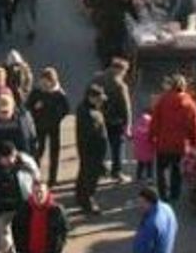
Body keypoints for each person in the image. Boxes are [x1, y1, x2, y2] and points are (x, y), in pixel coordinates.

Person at [0, 141, 39, 253]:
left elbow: (36, 177)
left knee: (25, 233)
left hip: (23, 203)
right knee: (5, 236)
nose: (10, 160)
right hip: (3, 207)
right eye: (6, 158)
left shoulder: (27, 162)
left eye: (12, 156)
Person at [149, 75, 196, 204]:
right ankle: (175, 193)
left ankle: (162, 193)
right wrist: (195, 141)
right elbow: (194, 125)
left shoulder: (163, 100)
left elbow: (155, 120)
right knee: (176, 169)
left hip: (163, 141)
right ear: (184, 86)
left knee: (161, 169)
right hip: (180, 144)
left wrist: (151, 136)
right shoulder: (190, 103)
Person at [10, 178, 68, 253]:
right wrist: (20, 249)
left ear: (47, 192)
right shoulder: (24, 209)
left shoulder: (57, 210)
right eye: (36, 192)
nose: (39, 195)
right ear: (31, 193)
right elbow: (16, 228)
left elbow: (64, 230)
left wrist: (58, 248)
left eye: (41, 191)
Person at [28, 67, 70, 187]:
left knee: (54, 152)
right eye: (43, 82)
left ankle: (53, 179)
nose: (45, 85)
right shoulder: (37, 92)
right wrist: (35, 108)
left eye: (47, 82)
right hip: (39, 126)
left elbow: (65, 110)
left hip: (53, 126)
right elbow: (28, 107)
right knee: (38, 151)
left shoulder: (59, 94)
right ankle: (36, 176)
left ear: (53, 81)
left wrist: (56, 116)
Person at [75, 84, 109, 215]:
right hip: (92, 151)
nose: (101, 102)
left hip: (89, 150)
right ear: (91, 98)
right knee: (90, 178)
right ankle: (88, 202)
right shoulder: (89, 114)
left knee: (83, 174)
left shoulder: (86, 108)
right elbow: (93, 135)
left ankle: (80, 197)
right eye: (99, 99)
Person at [100, 57, 134, 180]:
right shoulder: (120, 86)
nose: (125, 74)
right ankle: (117, 172)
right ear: (120, 70)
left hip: (100, 119)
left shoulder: (98, 78)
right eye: (125, 72)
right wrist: (128, 125)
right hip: (115, 121)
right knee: (118, 147)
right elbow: (126, 108)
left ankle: (101, 169)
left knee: (101, 145)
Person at [131, 109, 156, 182]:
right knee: (149, 164)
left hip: (139, 150)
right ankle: (149, 177)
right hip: (149, 150)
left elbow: (133, 134)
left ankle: (138, 177)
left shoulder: (138, 122)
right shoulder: (151, 123)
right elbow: (153, 137)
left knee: (140, 164)